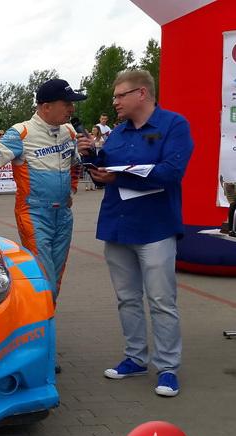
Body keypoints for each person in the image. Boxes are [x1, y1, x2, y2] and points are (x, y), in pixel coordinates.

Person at [80, 70, 194, 397]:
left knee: (161, 300)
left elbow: (171, 172)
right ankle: (135, 358)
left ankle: (168, 367)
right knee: (127, 298)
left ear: (141, 94)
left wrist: (119, 178)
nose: (115, 102)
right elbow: (106, 169)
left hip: (156, 228)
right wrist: (91, 158)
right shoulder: (118, 132)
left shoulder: (173, 125)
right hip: (118, 226)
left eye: (120, 95)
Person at [0, 78, 86, 303]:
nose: (72, 109)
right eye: (67, 103)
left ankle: (43, 315)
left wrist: (71, 190)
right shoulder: (21, 132)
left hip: (63, 215)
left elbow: (75, 164)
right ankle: (37, 319)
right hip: (34, 214)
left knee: (56, 278)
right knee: (45, 278)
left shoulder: (69, 131)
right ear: (46, 106)